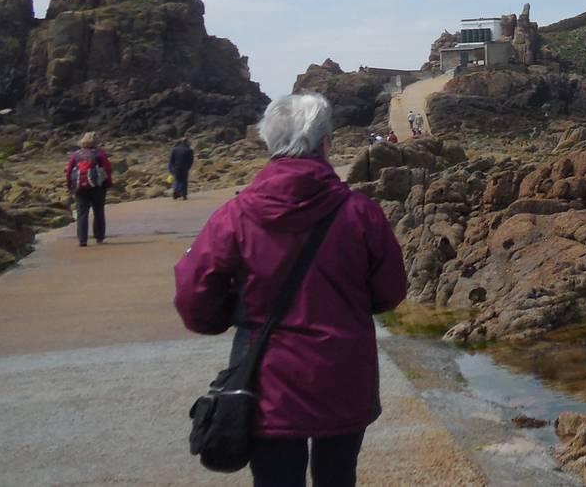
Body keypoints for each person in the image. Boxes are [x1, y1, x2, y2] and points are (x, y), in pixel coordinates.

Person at [174, 93, 407, 487]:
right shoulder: (360, 213)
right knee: (338, 478)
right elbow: (390, 291)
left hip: (266, 380)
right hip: (344, 373)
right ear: (325, 143)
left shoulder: (235, 215)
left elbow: (194, 296)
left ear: (268, 142)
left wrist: (231, 314)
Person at [65, 132, 113, 246]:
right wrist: (108, 184)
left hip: (80, 188)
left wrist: (69, 185)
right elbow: (107, 169)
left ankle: (82, 240)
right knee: (98, 212)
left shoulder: (76, 155)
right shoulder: (100, 154)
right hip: (97, 187)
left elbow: (69, 171)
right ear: (96, 142)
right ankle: (99, 238)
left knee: (82, 214)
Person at [168, 136, 195, 200]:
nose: (189, 143)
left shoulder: (175, 149)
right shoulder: (189, 150)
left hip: (176, 167)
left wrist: (171, 168)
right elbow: (190, 161)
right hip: (184, 168)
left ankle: (176, 191)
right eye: (188, 142)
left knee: (177, 180)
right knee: (184, 181)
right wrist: (188, 167)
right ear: (186, 142)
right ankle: (184, 195)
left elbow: (171, 160)